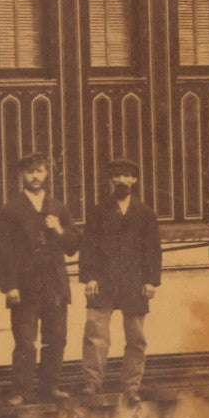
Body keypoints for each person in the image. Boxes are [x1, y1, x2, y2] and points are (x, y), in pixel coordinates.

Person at [0, 151, 80, 405]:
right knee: (25, 340)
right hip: (25, 286)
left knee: (56, 338)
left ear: (47, 173)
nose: (35, 176)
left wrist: (59, 229)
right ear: (22, 176)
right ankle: (21, 390)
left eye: (40, 171)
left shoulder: (58, 207)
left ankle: (50, 386)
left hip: (54, 284)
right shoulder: (11, 209)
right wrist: (9, 286)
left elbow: (73, 245)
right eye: (30, 172)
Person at [77, 159, 162, 405]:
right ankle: (92, 382)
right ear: (110, 181)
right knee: (95, 333)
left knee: (136, 337)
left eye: (127, 176)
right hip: (102, 282)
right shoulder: (97, 211)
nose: (122, 180)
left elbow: (153, 250)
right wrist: (89, 277)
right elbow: (88, 246)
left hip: (135, 284)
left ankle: (132, 386)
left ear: (134, 180)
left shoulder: (146, 213)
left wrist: (151, 281)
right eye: (117, 176)